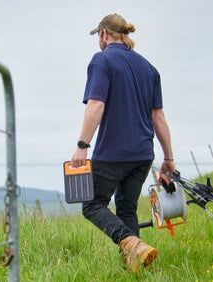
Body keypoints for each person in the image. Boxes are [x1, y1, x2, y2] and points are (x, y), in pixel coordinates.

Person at [71, 13, 175, 272]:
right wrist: (169, 158)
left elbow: (95, 105)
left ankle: (134, 245)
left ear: (104, 34)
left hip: (113, 153)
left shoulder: (102, 60)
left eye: (99, 36)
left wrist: (82, 146)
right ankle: (135, 264)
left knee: (93, 205)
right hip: (142, 154)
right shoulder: (148, 67)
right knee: (127, 209)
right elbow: (158, 117)